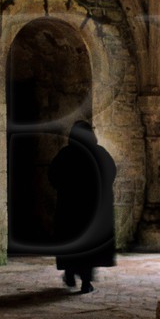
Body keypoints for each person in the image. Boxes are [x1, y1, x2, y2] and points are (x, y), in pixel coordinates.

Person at [48, 120, 117, 293]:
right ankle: (86, 281)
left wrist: (67, 189)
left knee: (71, 243)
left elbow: (53, 176)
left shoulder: (65, 154)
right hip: (92, 210)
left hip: (70, 210)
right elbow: (111, 174)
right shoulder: (100, 154)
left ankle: (70, 272)